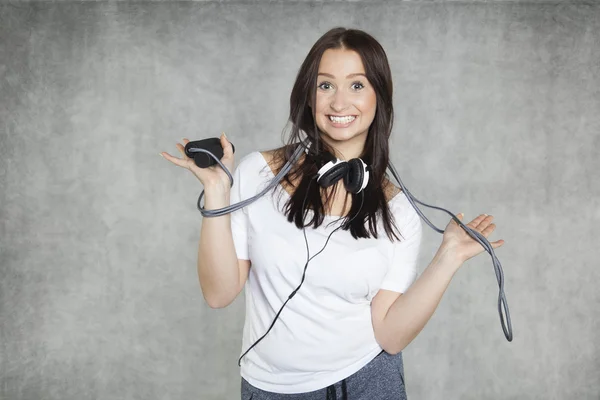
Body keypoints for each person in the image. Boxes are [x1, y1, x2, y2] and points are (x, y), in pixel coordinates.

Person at [161, 27, 504, 400]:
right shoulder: (257, 174)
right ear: (309, 96)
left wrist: (448, 257)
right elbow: (218, 293)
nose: (339, 103)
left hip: (368, 381)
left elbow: (389, 334)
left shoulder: (397, 208)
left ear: (379, 98)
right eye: (326, 86)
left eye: (357, 85)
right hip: (272, 388)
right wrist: (216, 192)